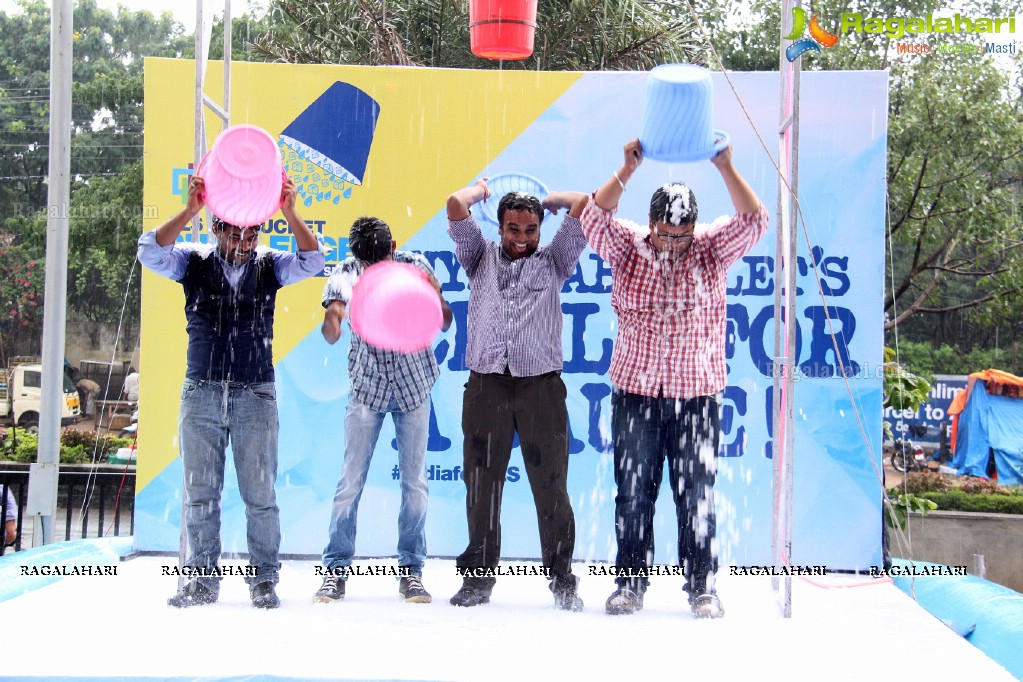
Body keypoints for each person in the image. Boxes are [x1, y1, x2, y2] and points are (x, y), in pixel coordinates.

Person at [576, 139, 767, 618]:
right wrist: (626, 167)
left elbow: (755, 221)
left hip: (696, 396)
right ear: (653, 224)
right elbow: (592, 218)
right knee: (633, 492)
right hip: (636, 395)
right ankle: (630, 586)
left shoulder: (711, 251)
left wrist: (726, 166)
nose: (672, 244)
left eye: (681, 236)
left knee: (696, 494)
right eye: (665, 234)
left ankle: (702, 587)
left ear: (694, 228)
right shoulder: (628, 248)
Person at [137, 175, 324, 609]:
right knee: (201, 493)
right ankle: (202, 581)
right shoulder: (192, 262)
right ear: (217, 229)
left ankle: (263, 580)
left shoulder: (270, 266)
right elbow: (149, 251)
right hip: (201, 390)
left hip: (255, 391)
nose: (244, 241)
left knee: (260, 494)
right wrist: (189, 209)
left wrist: (290, 212)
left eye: (252, 233)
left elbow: (313, 263)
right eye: (234, 232)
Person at [446, 181, 588, 610]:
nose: (522, 239)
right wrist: (481, 190)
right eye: (513, 229)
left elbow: (584, 204)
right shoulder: (478, 257)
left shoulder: (555, 262)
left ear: (541, 230)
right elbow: (455, 205)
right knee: (481, 486)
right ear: (500, 227)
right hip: (487, 384)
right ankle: (478, 580)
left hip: (540, 387)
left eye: (530, 230)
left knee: (551, 489)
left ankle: (562, 579)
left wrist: (551, 200)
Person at [313, 217, 452, 605]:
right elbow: (330, 332)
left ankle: (411, 573)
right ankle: (335, 572)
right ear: (357, 253)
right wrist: (333, 316)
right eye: (366, 259)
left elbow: (445, 319)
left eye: (380, 256)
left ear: (392, 245)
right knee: (350, 483)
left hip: (412, 384)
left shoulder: (415, 265)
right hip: (368, 387)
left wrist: (433, 297)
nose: (373, 266)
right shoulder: (346, 272)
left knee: (415, 485)